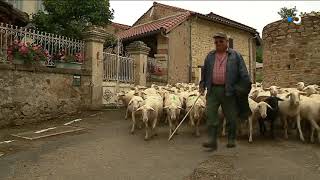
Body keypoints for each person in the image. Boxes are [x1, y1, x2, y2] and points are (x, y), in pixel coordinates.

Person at [199, 32, 251, 151]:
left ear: (227, 42)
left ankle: (231, 138)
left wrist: (242, 88)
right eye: (216, 42)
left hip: (229, 90)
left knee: (231, 116)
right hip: (212, 90)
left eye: (221, 41)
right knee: (210, 114)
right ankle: (212, 140)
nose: (218, 44)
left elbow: (243, 73)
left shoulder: (236, 55)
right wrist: (202, 84)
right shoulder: (210, 56)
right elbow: (205, 71)